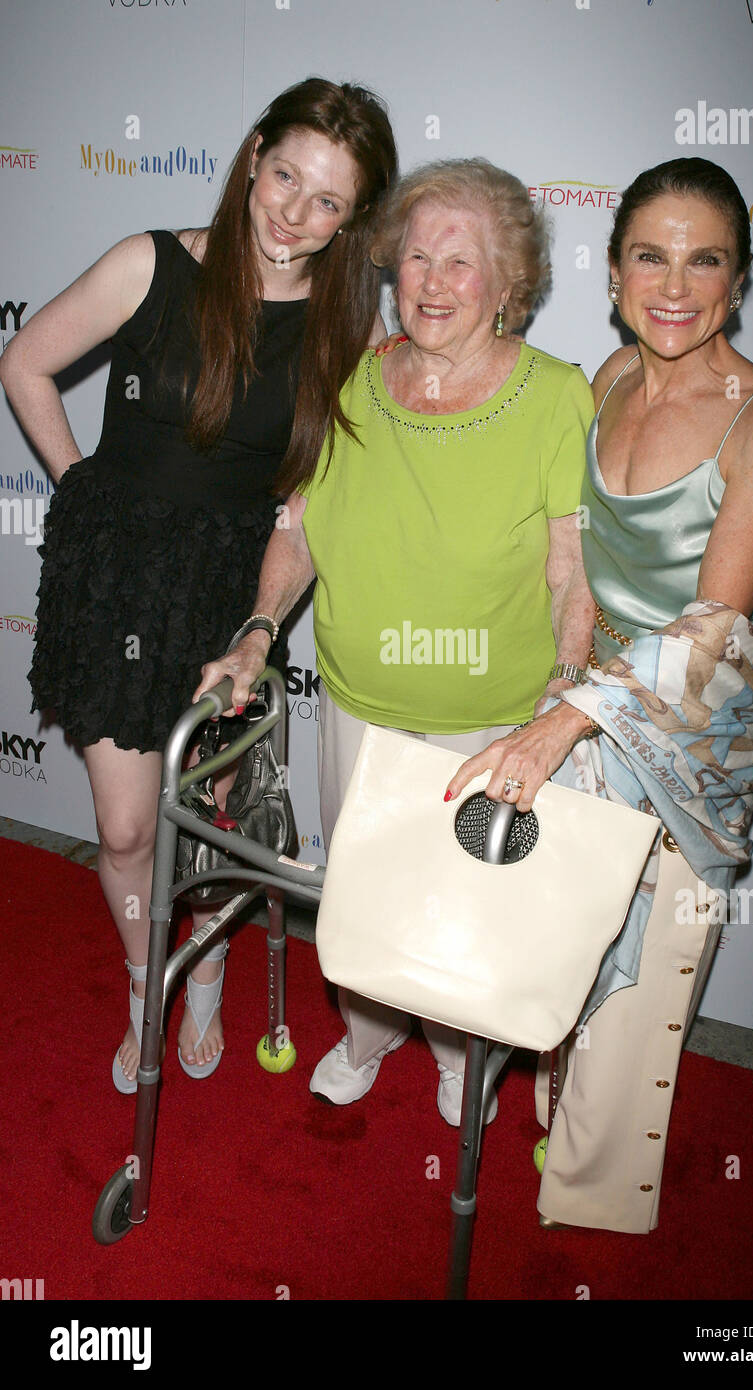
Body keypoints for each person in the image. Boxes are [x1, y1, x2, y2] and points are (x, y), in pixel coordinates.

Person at [0, 78, 397, 1092]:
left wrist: (261, 626)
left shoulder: (341, 332)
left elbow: (301, 510)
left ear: (352, 223)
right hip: (116, 582)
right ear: (254, 155)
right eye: (284, 178)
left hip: (231, 598)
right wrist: (83, 492)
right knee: (128, 828)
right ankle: (148, 985)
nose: (292, 214)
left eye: (326, 203)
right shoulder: (153, 263)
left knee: (216, 824)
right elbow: (26, 363)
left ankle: (209, 962)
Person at [445, 157, 753, 1230]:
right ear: (612, 274)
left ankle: (593, 1213)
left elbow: (709, 632)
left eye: (706, 260)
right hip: (585, 703)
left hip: (687, 729)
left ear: (737, 281)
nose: (676, 283)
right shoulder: (606, 374)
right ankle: (551, 1105)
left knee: (647, 972)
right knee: (564, 931)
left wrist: (564, 719)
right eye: (650, 254)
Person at [196, 157, 596, 1125]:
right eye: (414, 256)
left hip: (490, 723)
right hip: (360, 712)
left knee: (469, 917)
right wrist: (258, 629)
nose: (428, 279)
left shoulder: (553, 397)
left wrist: (565, 690)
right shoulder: (353, 384)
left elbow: (569, 572)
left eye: (460, 262)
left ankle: (464, 1059)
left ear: (509, 287)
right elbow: (298, 530)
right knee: (367, 901)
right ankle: (367, 1036)